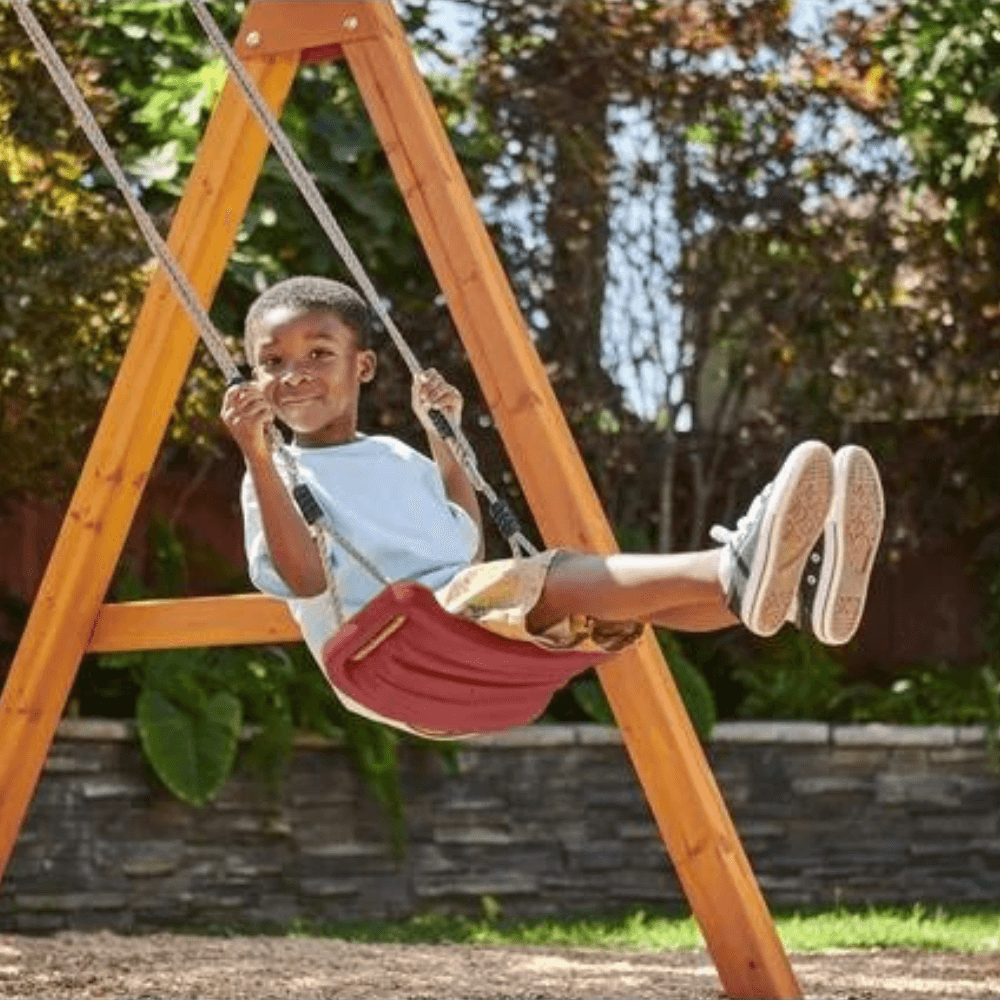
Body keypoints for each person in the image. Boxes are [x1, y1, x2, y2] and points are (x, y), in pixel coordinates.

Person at [222, 276, 884, 737]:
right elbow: (306, 581)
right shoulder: (279, 473)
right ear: (252, 378)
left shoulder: (398, 458)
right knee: (558, 571)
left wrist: (444, 441)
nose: (294, 374)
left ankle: (796, 595)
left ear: (363, 366)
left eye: (318, 354)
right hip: (391, 658)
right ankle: (737, 561)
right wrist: (257, 451)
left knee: (620, 604)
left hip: (454, 626)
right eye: (271, 362)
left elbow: (463, 553)